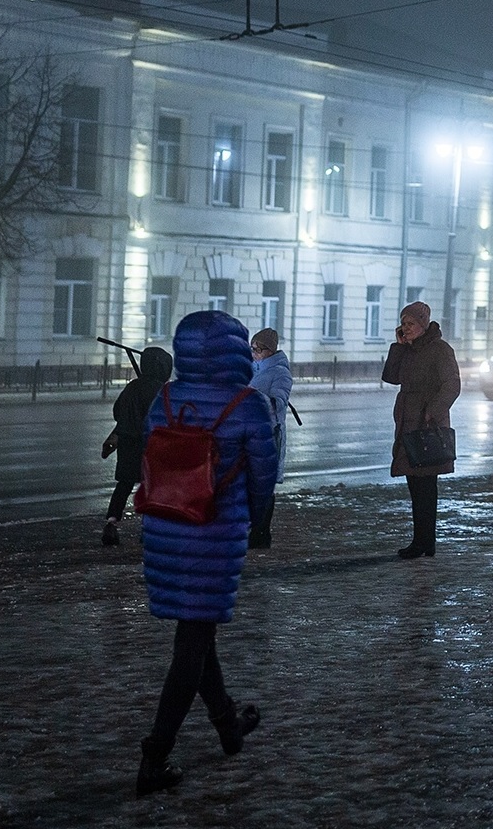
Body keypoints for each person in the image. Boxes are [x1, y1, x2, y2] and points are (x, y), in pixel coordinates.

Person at [134, 310, 278, 798]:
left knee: (198, 631)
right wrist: (258, 525)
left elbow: (149, 460)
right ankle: (155, 756)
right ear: (235, 350)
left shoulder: (166, 397)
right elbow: (264, 476)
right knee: (192, 644)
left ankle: (228, 726)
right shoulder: (248, 404)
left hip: (165, 527)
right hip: (215, 533)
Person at [381, 301, 461, 559]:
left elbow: (452, 385)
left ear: (423, 325)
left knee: (426, 485)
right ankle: (422, 540)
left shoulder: (440, 350)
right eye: (403, 324)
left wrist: (432, 412)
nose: (406, 328)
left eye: (411, 324)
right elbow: (391, 377)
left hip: (427, 425)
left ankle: (425, 541)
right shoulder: (409, 349)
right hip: (407, 422)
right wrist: (398, 347)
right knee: (415, 485)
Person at [100, 345, 173, 546]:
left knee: (123, 486)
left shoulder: (132, 387)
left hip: (128, 445)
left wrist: (115, 436)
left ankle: (111, 524)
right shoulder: (162, 391)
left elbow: (119, 413)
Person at [247, 327, 293, 548]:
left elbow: (278, 402)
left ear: (270, 351)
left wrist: (252, 396)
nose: (253, 352)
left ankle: (261, 533)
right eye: (252, 348)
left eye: (258, 349)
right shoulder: (253, 369)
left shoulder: (280, 372)